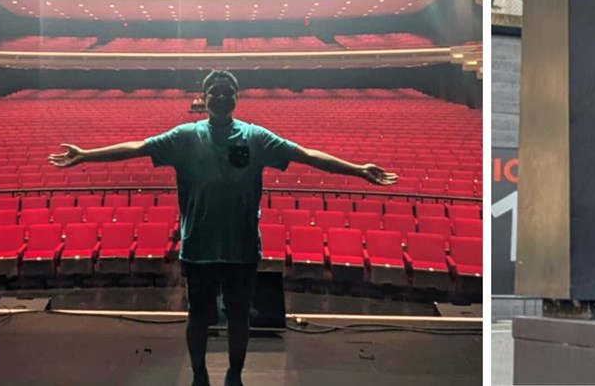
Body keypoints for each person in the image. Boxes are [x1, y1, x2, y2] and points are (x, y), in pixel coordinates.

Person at [47, 71, 399, 386]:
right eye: (213, 91)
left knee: (239, 315)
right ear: (204, 98)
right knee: (198, 315)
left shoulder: (256, 136)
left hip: (242, 247)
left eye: (226, 91)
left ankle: (234, 375)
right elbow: (138, 147)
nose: (219, 96)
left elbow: (306, 154)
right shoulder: (184, 136)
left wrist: (358, 169)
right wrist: (86, 155)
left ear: (235, 97)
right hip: (198, 246)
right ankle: (199, 375)